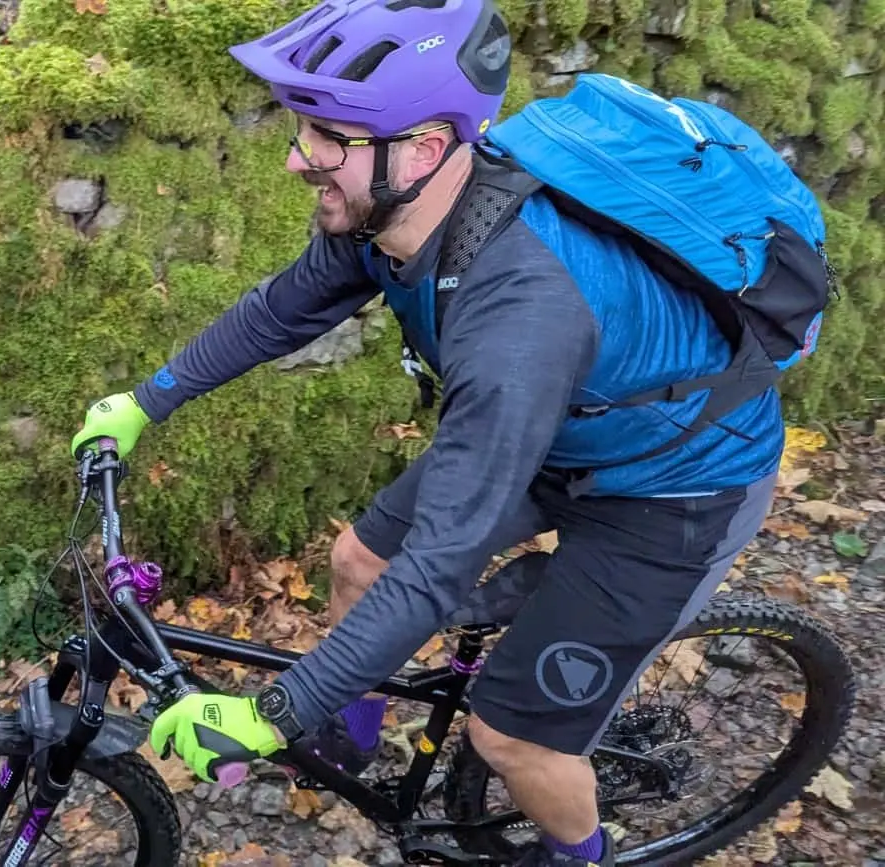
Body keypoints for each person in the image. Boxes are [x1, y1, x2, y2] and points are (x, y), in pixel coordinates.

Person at [69, 0, 785, 863]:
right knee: (357, 562)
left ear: (423, 148)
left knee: (513, 738)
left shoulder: (521, 313)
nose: (299, 160)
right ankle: (353, 739)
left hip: (675, 488)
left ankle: (578, 852)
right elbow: (280, 312)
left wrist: (271, 711)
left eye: (325, 141)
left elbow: (441, 560)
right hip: (552, 434)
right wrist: (145, 401)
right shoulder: (389, 219)